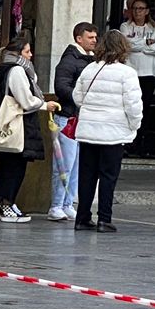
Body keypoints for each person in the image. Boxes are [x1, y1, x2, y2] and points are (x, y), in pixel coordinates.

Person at [72, 30, 143, 233]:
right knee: (108, 176)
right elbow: (133, 105)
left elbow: (78, 97)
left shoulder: (89, 70)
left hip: (88, 131)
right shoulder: (126, 73)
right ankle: (104, 218)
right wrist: (134, 125)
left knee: (87, 176)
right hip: (113, 133)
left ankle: (82, 217)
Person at [0, 37, 46, 222]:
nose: (30, 56)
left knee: (9, 165)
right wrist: (43, 104)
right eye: (27, 51)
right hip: (19, 124)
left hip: (13, 122)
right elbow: (26, 100)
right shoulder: (17, 71)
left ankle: (8, 202)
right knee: (14, 165)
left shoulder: (8, 69)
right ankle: (7, 203)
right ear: (18, 53)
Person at [48, 21, 97, 221]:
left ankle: (68, 203)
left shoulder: (90, 60)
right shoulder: (70, 60)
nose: (94, 41)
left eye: (95, 37)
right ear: (79, 38)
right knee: (64, 164)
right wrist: (80, 98)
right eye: (90, 37)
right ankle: (56, 205)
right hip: (67, 118)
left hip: (80, 118)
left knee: (76, 165)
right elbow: (61, 86)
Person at [121, 0, 155, 153]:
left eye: (141, 9)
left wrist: (138, 45)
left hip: (150, 73)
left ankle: (141, 142)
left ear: (147, 11)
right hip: (131, 71)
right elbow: (126, 45)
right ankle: (129, 141)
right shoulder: (125, 27)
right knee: (130, 105)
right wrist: (147, 44)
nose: (137, 12)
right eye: (134, 9)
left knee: (144, 107)